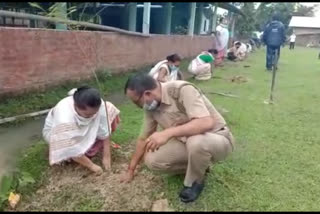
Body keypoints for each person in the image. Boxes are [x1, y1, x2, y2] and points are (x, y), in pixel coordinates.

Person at [120, 73, 234, 203]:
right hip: (187, 142)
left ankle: (195, 182)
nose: (137, 107)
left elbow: (206, 122)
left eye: (136, 102)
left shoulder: (181, 90)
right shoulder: (151, 107)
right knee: (152, 160)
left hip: (218, 138)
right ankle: (201, 165)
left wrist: (167, 133)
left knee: (196, 142)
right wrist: (131, 169)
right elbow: (143, 138)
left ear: (147, 94)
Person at [42, 86, 121, 174]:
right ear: (76, 106)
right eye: (87, 115)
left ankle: (91, 144)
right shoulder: (64, 118)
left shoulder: (99, 105)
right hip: (56, 133)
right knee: (68, 151)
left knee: (109, 107)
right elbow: (71, 148)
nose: (92, 116)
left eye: (95, 113)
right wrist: (92, 166)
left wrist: (107, 156)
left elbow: (105, 128)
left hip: (82, 126)